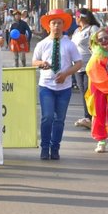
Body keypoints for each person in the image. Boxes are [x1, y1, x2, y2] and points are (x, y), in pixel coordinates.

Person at [32, 9, 82, 160]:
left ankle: (55, 147)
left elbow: (78, 63)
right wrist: (41, 63)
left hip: (64, 88)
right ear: (48, 26)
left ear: (64, 26)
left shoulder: (69, 44)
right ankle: (44, 147)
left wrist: (66, 74)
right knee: (47, 117)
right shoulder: (42, 44)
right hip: (46, 86)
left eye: (59, 23)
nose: (56, 26)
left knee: (59, 119)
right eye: (53, 23)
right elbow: (34, 61)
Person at [71, 8, 101, 129]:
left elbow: (99, 45)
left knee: (90, 92)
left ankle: (93, 118)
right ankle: (88, 117)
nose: (75, 19)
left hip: (90, 65)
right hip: (78, 67)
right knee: (84, 93)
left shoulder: (92, 29)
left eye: (76, 16)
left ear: (81, 17)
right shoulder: (76, 31)